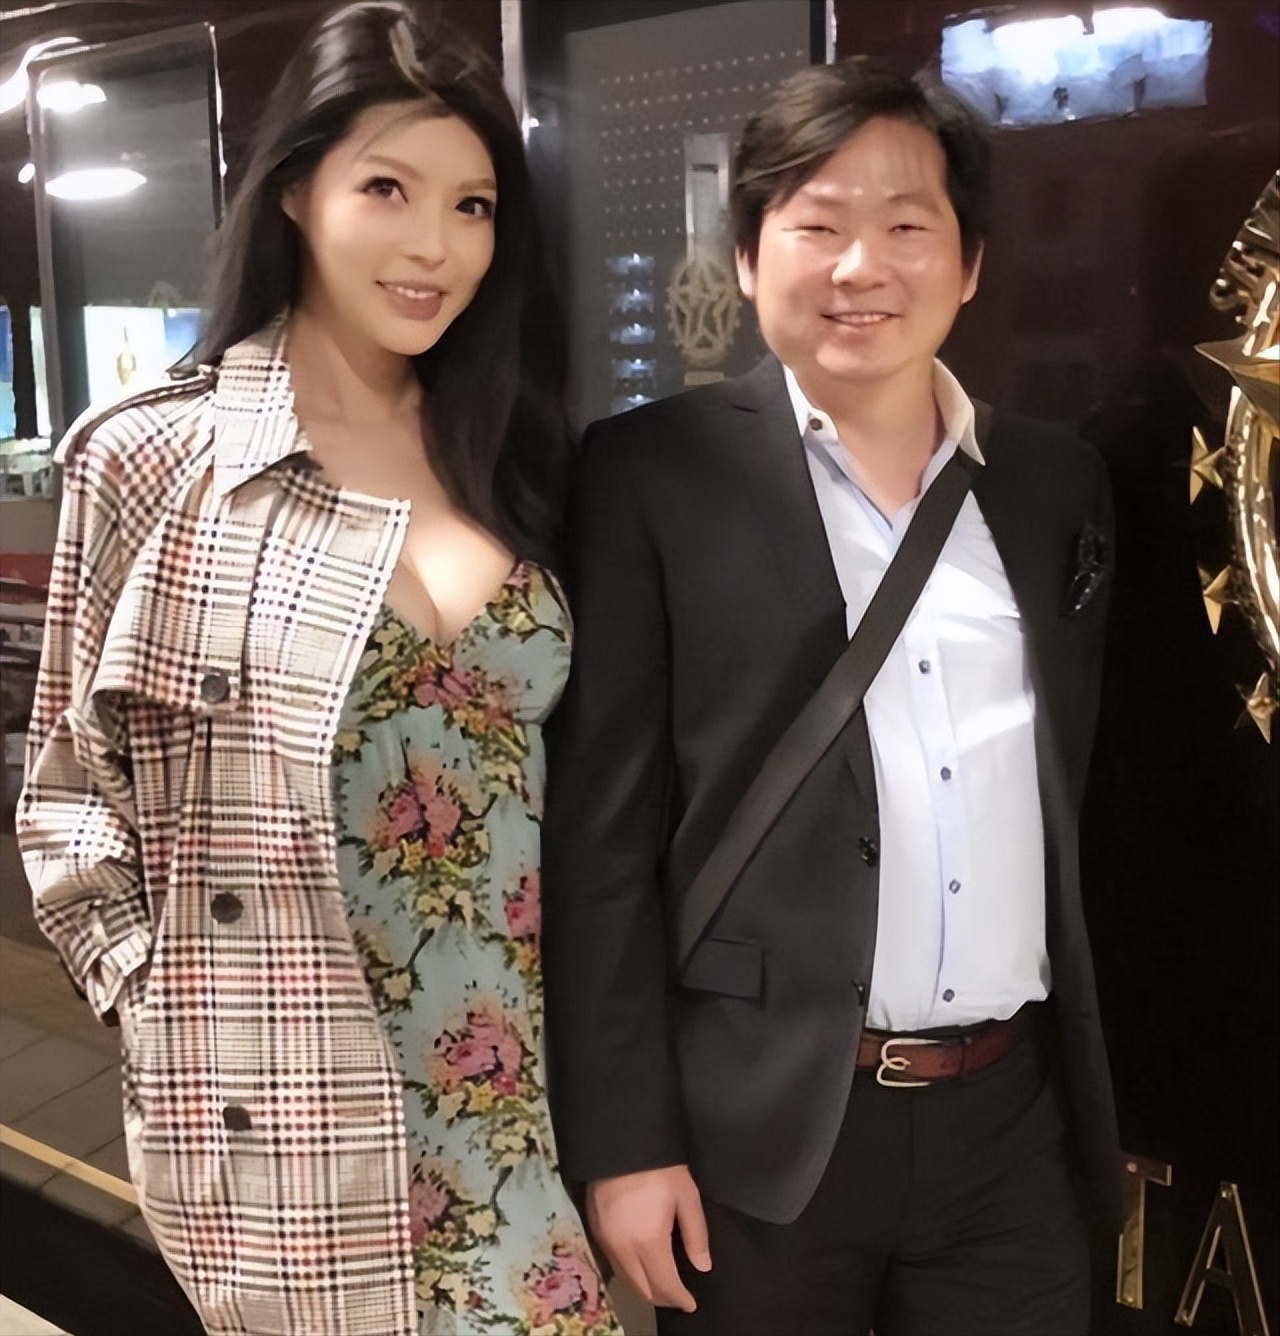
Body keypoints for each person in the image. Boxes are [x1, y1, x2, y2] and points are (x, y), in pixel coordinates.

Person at [18, 5, 618, 1335]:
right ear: (293, 190)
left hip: (519, 1110)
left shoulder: (518, 459)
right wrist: (166, 1009)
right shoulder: (156, 463)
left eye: (471, 206)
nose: (432, 245)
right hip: (293, 1122)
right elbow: (66, 800)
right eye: (386, 189)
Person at [543, 58, 1123, 1336]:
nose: (860, 266)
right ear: (749, 258)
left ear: (968, 265)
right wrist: (624, 1142)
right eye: (816, 225)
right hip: (760, 1130)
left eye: (906, 226)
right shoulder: (652, 474)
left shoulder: (1051, 484)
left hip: (1010, 1126)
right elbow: (600, 838)